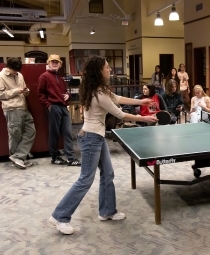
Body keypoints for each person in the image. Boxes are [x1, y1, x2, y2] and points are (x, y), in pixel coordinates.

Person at [49, 55, 157, 235]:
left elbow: (117, 98)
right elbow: (120, 114)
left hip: (96, 137)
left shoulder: (99, 89)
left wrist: (141, 101)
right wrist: (144, 118)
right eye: (107, 67)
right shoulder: (98, 93)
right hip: (91, 139)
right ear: (99, 71)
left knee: (108, 173)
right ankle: (60, 216)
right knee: (85, 180)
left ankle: (107, 211)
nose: (110, 69)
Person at [38, 54, 81, 166]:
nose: (55, 63)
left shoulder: (60, 78)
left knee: (67, 132)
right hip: (54, 107)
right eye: (53, 61)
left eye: (57, 62)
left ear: (60, 64)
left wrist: (68, 95)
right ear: (48, 63)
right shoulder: (44, 76)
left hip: (63, 107)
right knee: (54, 133)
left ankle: (71, 158)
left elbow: (65, 92)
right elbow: (40, 94)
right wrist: (49, 106)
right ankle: (54, 157)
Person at [0, 57, 36, 169]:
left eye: (17, 70)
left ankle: (19, 157)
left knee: (31, 131)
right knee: (15, 134)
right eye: (14, 70)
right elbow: (1, 94)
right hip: (12, 109)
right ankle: (18, 159)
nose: (16, 72)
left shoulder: (19, 75)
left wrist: (26, 91)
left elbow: (23, 88)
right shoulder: (1, 76)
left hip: (23, 106)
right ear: (8, 67)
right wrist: (16, 91)